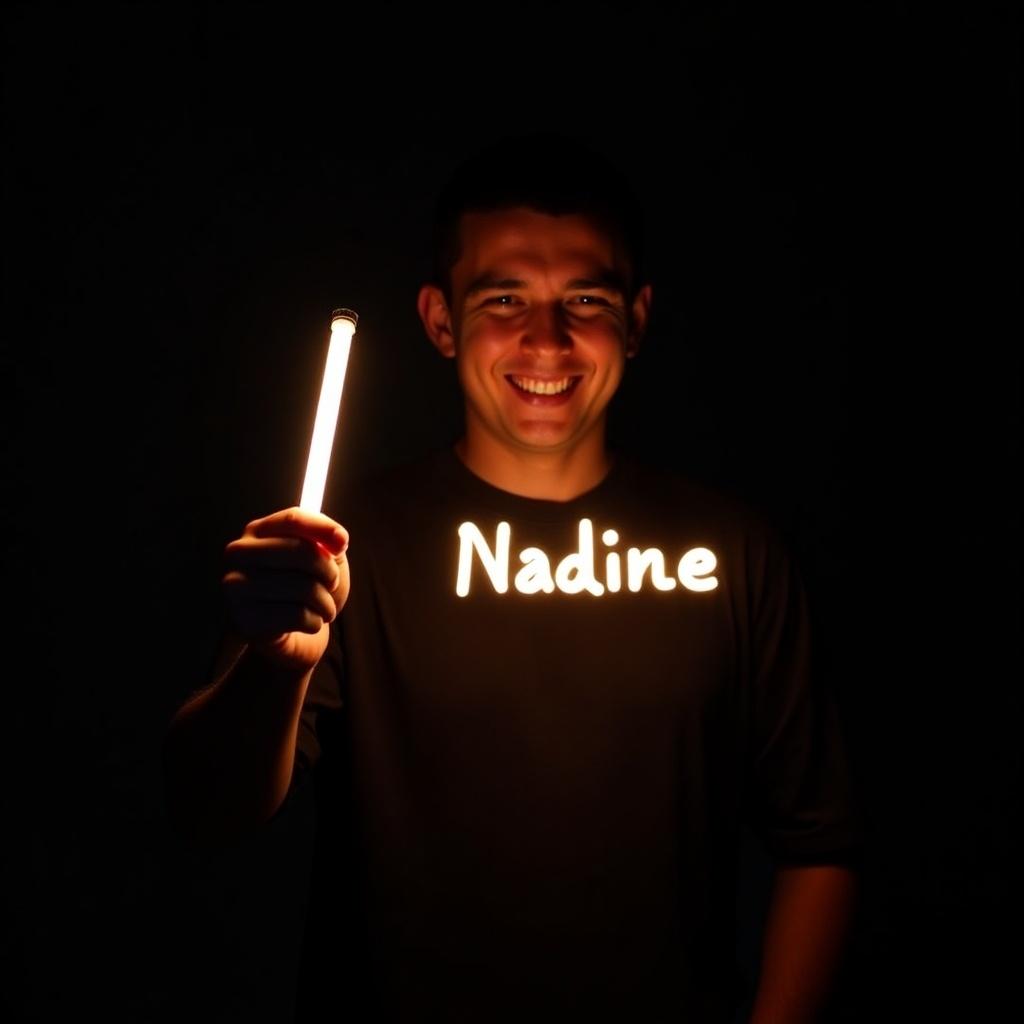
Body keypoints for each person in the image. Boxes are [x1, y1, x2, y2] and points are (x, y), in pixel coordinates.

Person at [163, 133, 862, 1022]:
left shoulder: (733, 551)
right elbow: (208, 808)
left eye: (585, 297)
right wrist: (276, 667)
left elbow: (822, 841)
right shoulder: (342, 547)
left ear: (637, 319)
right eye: (503, 296)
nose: (546, 337)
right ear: (440, 319)